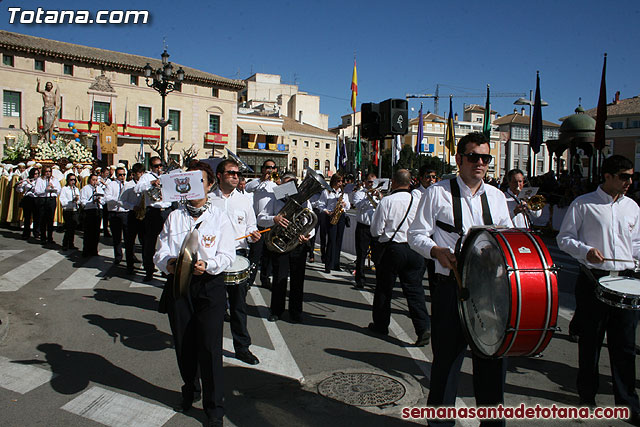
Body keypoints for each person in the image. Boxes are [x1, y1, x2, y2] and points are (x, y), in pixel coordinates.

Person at [408, 132, 513, 426]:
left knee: (492, 361)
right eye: (473, 157)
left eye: (485, 158)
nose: (480, 163)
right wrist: (436, 251)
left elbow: (507, 238)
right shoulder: (437, 192)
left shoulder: (497, 196)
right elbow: (415, 235)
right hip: (449, 288)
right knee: (446, 363)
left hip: (490, 292)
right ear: (459, 160)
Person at [557, 155, 640, 424]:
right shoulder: (584, 204)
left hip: (625, 281)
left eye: (631, 177)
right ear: (607, 176)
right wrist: (585, 252)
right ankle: (587, 397)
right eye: (624, 176)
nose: (629, 182)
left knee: (625, 345)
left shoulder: (633, 207)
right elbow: (564, 238)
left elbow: (636, 243)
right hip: (593, 279)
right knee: (591, 342)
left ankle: (627, 402)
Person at [154, 161, 235, 427]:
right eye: (190, 181)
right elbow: (159, 251)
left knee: (210, 348)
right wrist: (167, 263)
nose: (194, 187)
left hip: (209, 286)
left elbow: (226, 256)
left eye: (201, 181)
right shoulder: (174, 216)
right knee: (184, 343)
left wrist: (208, 265)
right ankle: (190, 389)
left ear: (210, 184)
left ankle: (214, 407)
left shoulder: (219, 217)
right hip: (179, 285)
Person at [209, 159, 261, 365]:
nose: (235, 176)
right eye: (231, 173)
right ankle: (211, 345)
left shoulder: (244, 200)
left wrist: (252, 235)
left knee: (239, 306)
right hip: (213, 257)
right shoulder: (208, 199)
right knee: (213, 306)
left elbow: (251, 225)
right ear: (219, 175)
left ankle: (242, 347)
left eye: (237, 173)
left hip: (238, 256)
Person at [369, 169, 429, 346]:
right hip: (415, 248)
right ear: (410, 183)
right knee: (415, 290)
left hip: (393, 249)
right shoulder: (418, 200)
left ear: (393, 182)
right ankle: (423, 327)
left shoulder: (387, 201)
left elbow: (376, 230)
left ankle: (381, 325)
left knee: (384, 289)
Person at [258, 172, 314, 323]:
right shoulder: (275, 198)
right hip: (280, 242)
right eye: (288, 182)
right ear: (282, 184)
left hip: (297, 244)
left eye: (294, 182)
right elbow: (261, 218)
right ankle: (276, 310)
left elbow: (311, 219)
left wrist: (307, 234)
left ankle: (296, 312)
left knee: (298, 279)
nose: (292, 185)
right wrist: (274, 219)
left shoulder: (304, 200)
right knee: (279, 277)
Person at [135, 157, 173, 281]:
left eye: (160, 165)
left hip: (166, 211)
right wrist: (151, 183)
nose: (159, 168)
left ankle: (165, 269)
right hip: (153, 211)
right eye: (156, 166)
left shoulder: (166, 176)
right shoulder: (146, 177)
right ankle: (149, 270)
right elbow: (137, 188)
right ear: (151, 167)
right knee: (150, 243)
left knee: (167, 242)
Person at [245, 159, 278, 288]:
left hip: (271, 223)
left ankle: (265, 279)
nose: (270, 170)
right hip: (257, 222)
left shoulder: (276, 185)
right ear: (263, 169)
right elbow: (247, 188)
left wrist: (279, 184)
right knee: (255, 254)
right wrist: (262, 179)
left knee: (268, 255)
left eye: (273, 168)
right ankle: (249, 280)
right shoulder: (257, 183)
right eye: (268, 167)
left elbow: (287, 196)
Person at [317, 173, 351, 273]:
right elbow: (320, 205)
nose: (340, 183)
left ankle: (336, 264)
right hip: (331, 215)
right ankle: (328, 265)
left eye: (341, 181)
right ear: (333, 181)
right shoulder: (326, 192)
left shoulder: (343, 193)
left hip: (341, 216)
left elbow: (348, 206)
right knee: (331, 241)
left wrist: (344, 204)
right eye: (338, 181)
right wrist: (327, 211)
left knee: (338, 240)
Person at [352, 173, 380, 288]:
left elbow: (383, 207)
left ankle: (379, 280)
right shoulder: (359, 193)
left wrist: (379, 197)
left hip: (375, 227)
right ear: (365, 182)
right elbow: (358, 206)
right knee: (361, 255)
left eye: (373, 182)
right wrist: (368, 197)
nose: (371, 184)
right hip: (363, 227)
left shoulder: (378, 194)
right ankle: (360, 280)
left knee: (378, 256)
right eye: (369, 182)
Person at [121, 163, 145, 274]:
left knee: (145, 242)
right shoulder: (128, 185)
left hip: (144, 215)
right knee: (130, 241)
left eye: (142, 172)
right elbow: (121, 201)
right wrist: (132, 207)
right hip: (132, 214)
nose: (141, 175)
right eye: (139, 173)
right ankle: (129, 265)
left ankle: (147, 264)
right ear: (133, 174)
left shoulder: (146, 184)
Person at [104, 167, 130, 264]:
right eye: (120, 175)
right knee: (116, 237)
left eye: (123, 175)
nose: (122, 177)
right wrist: (117, 201)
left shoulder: (128, 184)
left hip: (125, 212)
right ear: (116, 175)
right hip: (114, 212)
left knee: (128, 237)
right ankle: (118, 256)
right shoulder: (111, 185)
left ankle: (130, 256)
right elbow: (107, 197)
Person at [34, 165, 61, 245]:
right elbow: (37, 191)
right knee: (42, 219)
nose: (48, 173)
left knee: (50, 219)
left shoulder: (55, 180)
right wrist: (45, 190)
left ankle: (50, 237)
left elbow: (59, 190)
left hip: (51, 199)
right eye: (46, 171)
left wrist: (53, 188)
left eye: (49, 171)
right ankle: (43, 236)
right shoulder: (40, 180)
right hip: (43, 199)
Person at [79, 173, 105, 257]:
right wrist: (91, 202)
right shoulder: (85, 189)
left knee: (96, 232)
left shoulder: (99, 189)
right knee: (88, 232)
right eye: (93, 180)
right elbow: (83, 202)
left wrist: (100, 200)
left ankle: (94, 249)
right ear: (89, 180)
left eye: (96, 180)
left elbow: (104, 200)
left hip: (97, 210)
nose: (95, 182)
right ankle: (86, 250)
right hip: (89, 211)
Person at [16, 167, 41, 240]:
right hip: (28, 199)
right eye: (34, 174)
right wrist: (20, 186)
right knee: (27, 217)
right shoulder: (27, 180)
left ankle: (36, 233)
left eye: (37, 174)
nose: (35, 175)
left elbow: (38, 190)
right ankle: (26, 233)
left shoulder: (39, 181)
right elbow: (20, 191)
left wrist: (30, 183)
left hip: (36, 199)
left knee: (36, 217)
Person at [58, 173, 80, 250]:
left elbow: (79, 199)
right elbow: (62, 200)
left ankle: (71, 243)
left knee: (73, 228)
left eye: (74, 180)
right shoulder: (64, 189)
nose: (73, 181)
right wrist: (70, 201)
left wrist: (77, 200)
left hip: (74, 209)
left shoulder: (76, 189)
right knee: (68, 227)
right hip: (67, 210)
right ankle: (65, 243)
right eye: (71, 180)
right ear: (68, 180)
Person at [98, 167, 112, 238]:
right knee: (99, 215)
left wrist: (105, 183)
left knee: (106, 216)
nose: (107, 175)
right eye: (106, 173)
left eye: (108, 173)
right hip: (99, 199)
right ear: (102, 173)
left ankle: (106, 230)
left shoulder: (109, 180)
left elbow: (110, 187)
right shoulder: (97, 179)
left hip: (105, 199)